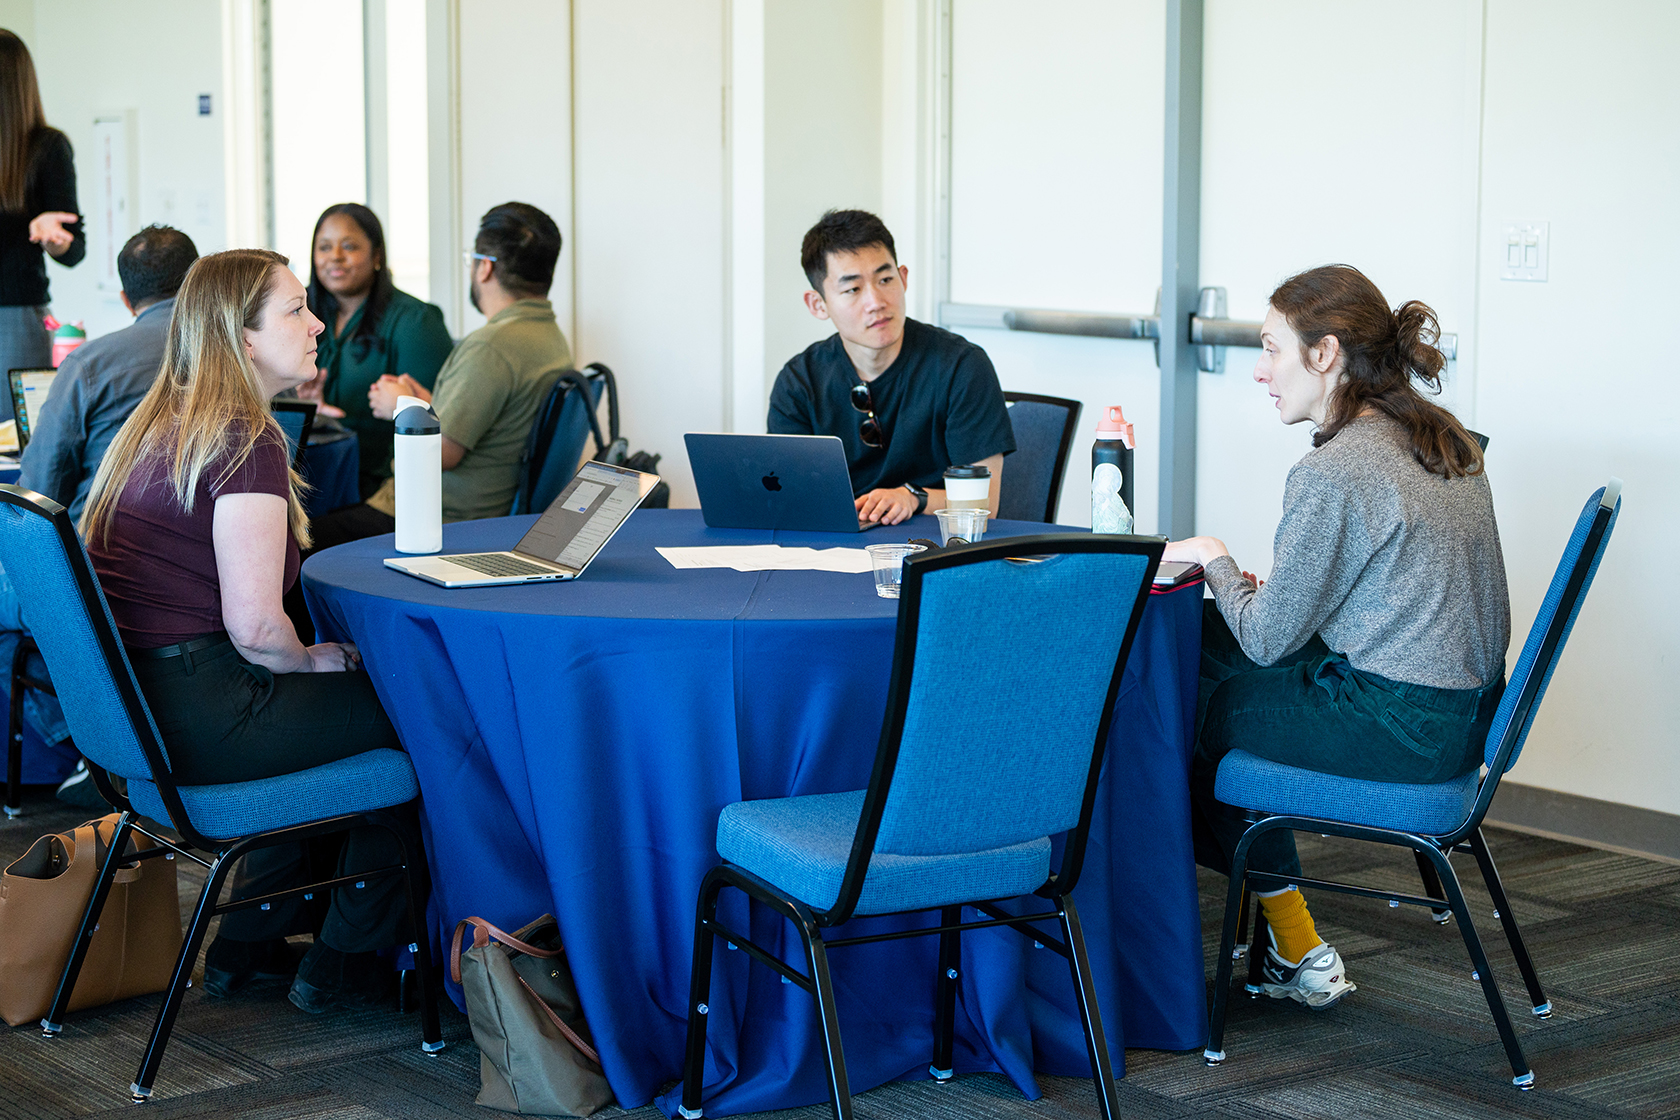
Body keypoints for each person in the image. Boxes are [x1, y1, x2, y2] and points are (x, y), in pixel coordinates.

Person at [1164, 264, 1509, 1011]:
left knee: (1203, 717)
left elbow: (1264, 643)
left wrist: (1211, 554)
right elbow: (1388, 583)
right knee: (1204, 642)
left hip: (1402, 724)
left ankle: (1290, 947)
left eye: (1270, 350)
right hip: (1462, 715)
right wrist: (1262, 599)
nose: (1260, 372)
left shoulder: (1335, 469)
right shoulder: (1437, 433)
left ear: (1324, 355)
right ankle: (1276, 939)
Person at [80, 248, 416, 1013]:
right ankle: (344, 961)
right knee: (419, 718)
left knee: (331, 709)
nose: (317, 323)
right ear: (244, 335)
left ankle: (248, 943)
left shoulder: (161, 421)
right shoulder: (244, 438)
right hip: (208, 715)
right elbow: (262, 630)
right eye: (296, 309)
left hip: (143, 721)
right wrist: (316, 660)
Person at [0, 225, 198, 803]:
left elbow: (37, 491)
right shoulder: (237, 357)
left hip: (105, 573)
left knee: (26, 593)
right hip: (203, 575)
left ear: (124, 297)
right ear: (197, 284)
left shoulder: (91, 362)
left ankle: (88, 744)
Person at [307, 201, 572, 550]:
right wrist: (428, 404)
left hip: (438, 519)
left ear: (484, 269)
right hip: (485, 512)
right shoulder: (549, 337)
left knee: (295, 541)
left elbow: (440, 454)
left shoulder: (488, 347)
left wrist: (400, 405)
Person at [767, 209, 1014, 525]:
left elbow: (984, 504)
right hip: (834, 547)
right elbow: (788, 495)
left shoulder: (962, 366)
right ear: (819, 304)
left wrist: (912, 497)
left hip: (936, 549)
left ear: (904, 278)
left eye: (885, 280)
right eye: (853, 289)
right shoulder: (799, 382)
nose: (876, 301)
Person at [296, 203, 453, 499]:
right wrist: (312, 413)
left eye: (349, 246)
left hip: (388, 486)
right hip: (318, 475)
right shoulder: (303, 314)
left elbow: (441, 420)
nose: (335, 258)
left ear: (377, 254)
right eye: (325, 247)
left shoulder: (415, 321)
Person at [0, 28, 83, 422]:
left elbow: (73, 249)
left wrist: (53, 238)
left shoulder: (47, 148)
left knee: (11, 439)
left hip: (14, 316)